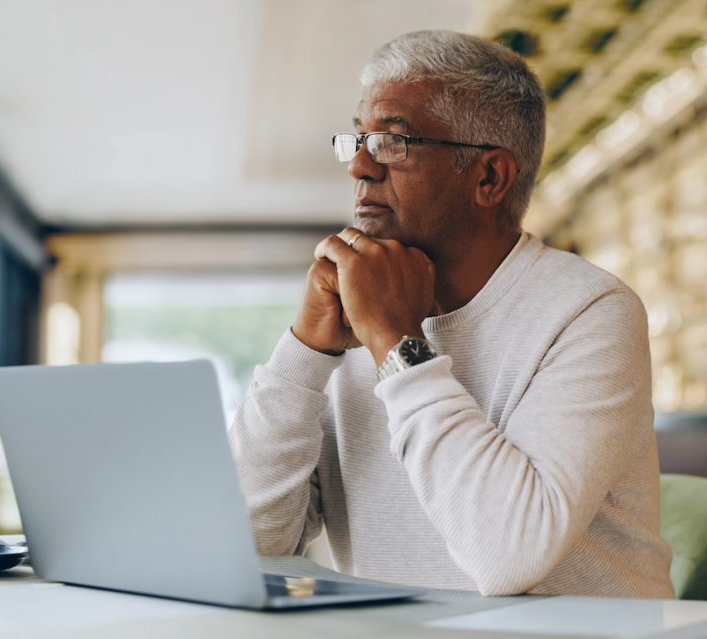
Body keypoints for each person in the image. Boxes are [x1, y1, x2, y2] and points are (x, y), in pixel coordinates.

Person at [227, 30, 673, 598]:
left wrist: (396, 343)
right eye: (357, 140)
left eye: (392, 142)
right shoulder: (351, 314)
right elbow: (247, 544)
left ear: (489, 178)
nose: (359, 168)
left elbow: (508, 557)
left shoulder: (589, 310)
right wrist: (304, 354)